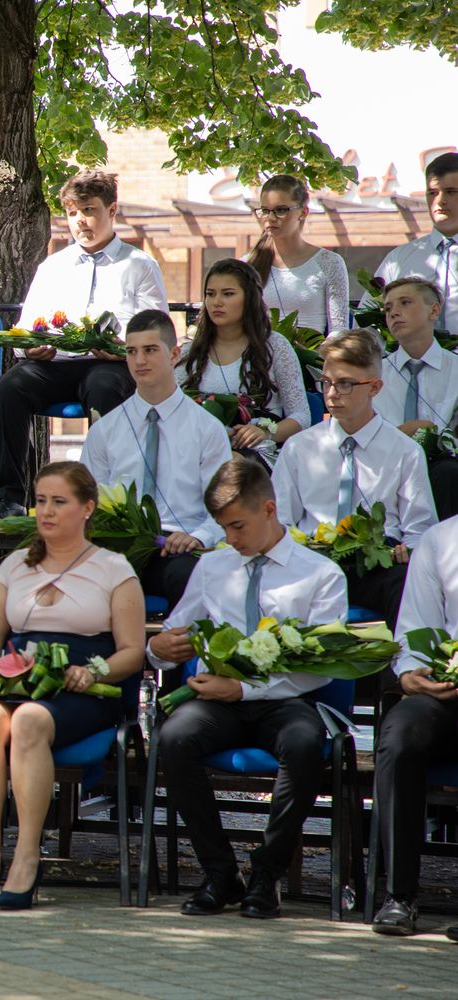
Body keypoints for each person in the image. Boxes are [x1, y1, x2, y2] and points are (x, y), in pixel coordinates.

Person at [150, 457, 347, 919]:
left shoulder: (320, 573)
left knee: (304, 743)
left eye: (237, 526)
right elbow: (175, 632)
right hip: (218, 702)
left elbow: (321, 668)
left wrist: (242, 690)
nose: (230, 539)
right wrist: (158, 649)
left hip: (285, 698)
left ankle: (267, 872)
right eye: (223, 528)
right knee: (174, 737)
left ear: (269, 509)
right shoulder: (213, 566)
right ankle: (220, 872)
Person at [0, 461, 145, 910]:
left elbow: (132, 652)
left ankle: (27, 856)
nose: (46, 511)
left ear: (87, 508)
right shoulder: (14, 566)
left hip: (83, 686)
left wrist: (95, 672)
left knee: (29, 721)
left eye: (59, 502)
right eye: (41, 501)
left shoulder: (114, 569)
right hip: (21, 677)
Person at [0, 170, 169, 520]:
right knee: (9, 387)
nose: (80, 220)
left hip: (110, 365)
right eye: (72, 212)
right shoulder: (53, 266)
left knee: (103, 387)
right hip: (55, 364)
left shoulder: (139, 265)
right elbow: (27, 327)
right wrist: (29, 349)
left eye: (88, 210)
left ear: (111, 210)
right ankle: (9, 498)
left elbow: (157, 329)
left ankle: (105, 499)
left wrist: (122, 348)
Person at [273, 328, 435, 626]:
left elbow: (420, 529)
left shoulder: (404, 451)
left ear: (374, 388)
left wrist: (407, 549)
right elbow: (281, 520)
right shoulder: (299, 448)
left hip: (377, 563)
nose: (332, 393)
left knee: (408, 586)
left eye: (345, 384)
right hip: (314, 558)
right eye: (326, 382)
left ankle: (405, 657)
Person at [82, 311, 231, 609]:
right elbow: (88, 500)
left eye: (150, 350)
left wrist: (199, 536)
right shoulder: (105, 430)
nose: (139, 361)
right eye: (131, 352)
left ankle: (180, 641)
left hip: (180, 545)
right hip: (120, 545)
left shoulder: (206, 428)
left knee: (190, 576)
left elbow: (224, 505)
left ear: (174, 354)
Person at [370, 511, 458, 937]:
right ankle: (399, 894)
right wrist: (410, 673)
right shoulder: (441, 540)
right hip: (449, 690)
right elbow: (415, 629)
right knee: (400, 733)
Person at [176, 258, 309, 465]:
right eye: (210, 294)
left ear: (250, 298)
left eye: (228, 294)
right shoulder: (189, 352)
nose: (216, 302)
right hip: (201, 453)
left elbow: (301, 416)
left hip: (257, 455)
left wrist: (265, 432)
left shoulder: (275, 346)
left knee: (233, 467)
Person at [371, 277, 458, 519]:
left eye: (405, 303)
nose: (394, 313)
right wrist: (403, 433)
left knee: (449, 473)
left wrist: (434, 437)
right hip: (383, 464)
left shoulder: (455, 370)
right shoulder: (373, 375)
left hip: (442, 470)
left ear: (434, 311)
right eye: (388, 308)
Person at [365, 152, 458, 334]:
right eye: (432, 193)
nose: (440, 201)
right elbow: (367, 322)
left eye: (451, 192)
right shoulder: (398, 259)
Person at [245, 174, 349, 335]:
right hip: (259, 350)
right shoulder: (247, 265)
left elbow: (339, 330)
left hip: (313, 350)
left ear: (303, 212)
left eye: (281, 210)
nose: (270, 218)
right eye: (265, 210)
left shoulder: (330, 262)